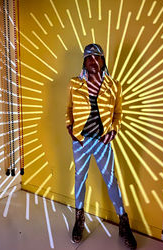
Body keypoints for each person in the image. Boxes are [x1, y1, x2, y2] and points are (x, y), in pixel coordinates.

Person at [66, 43, 137, 249]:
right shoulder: (74, 83)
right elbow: (68, 108)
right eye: (89, 57)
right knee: (80, 179)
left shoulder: (114, 85)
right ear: (84, 61)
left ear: (103, 60)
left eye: (97, 57)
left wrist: (114, 130)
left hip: (102, 142)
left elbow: (118, 112)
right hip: (81, 141)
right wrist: (69, 128)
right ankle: (79, 220)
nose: (93, 61)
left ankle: (124, 224)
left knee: (111, 181)